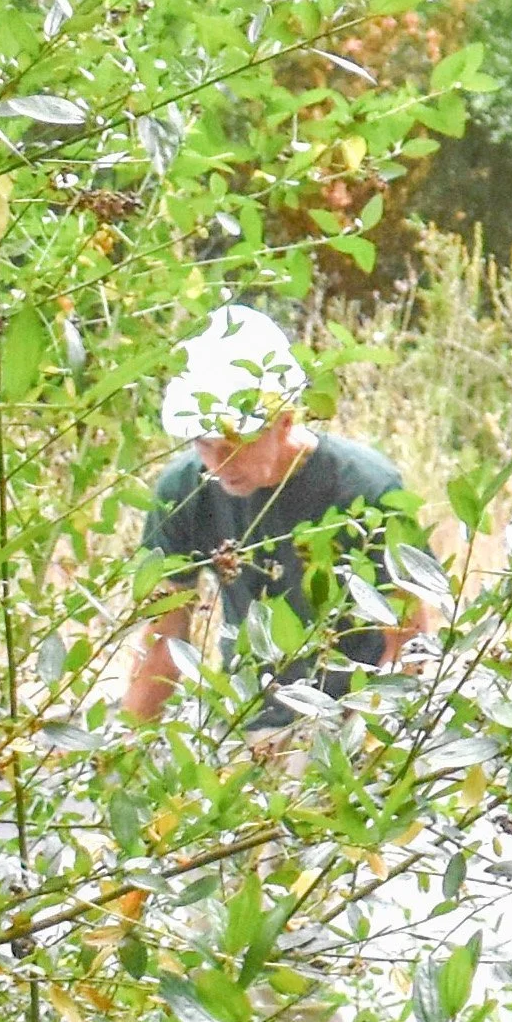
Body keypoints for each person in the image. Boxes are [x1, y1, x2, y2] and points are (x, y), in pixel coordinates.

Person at [126, 305, 426, 729]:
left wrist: (362, 747)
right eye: (203, 444)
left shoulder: (370, 489)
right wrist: (117, 763)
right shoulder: (183, 492)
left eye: (233, 444)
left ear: (284, 422)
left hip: (353, 713)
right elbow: (163, 641)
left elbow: (408, 645)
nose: (217, 464)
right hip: (250, 715)